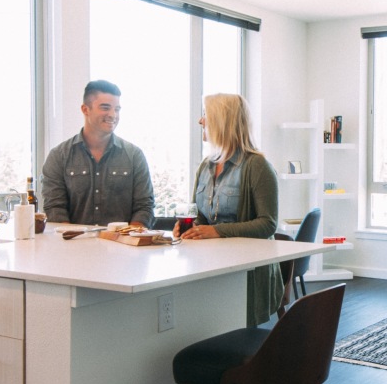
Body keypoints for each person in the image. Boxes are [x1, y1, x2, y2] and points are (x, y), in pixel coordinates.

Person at [177, 93, 284, 327]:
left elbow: (268, 223)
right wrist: (191, 226)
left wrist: (218, 231)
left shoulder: (257, 166)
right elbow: (202, 216)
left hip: (248, 271)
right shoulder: (205, 167)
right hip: (210, 264)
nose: (200, 121)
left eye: (206, 115)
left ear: (223, 121)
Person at [40, 80, 155, 227]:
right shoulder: (59, 156)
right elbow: (55, 207)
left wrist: (130, 239)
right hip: (73, 246)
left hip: (123, 247)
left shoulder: (134, 156)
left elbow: (144, 206)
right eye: (105, 108)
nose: (113, 115)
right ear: (85, 109)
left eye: (117, 109)